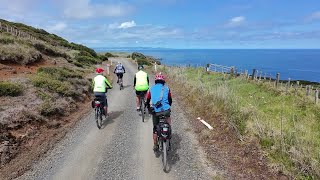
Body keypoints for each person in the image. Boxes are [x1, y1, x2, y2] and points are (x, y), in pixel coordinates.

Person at [145, 73, 172, 151]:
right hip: (166, 110)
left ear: (156, 81)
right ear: (163, 81)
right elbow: (170, 100)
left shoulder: (151, 88)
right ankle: (169, 132)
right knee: (168, 119)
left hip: (156, 112)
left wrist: (148, 107)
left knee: (155, 128)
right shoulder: (167, 88)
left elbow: (148, 99)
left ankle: (155, 145)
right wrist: (168, 106)